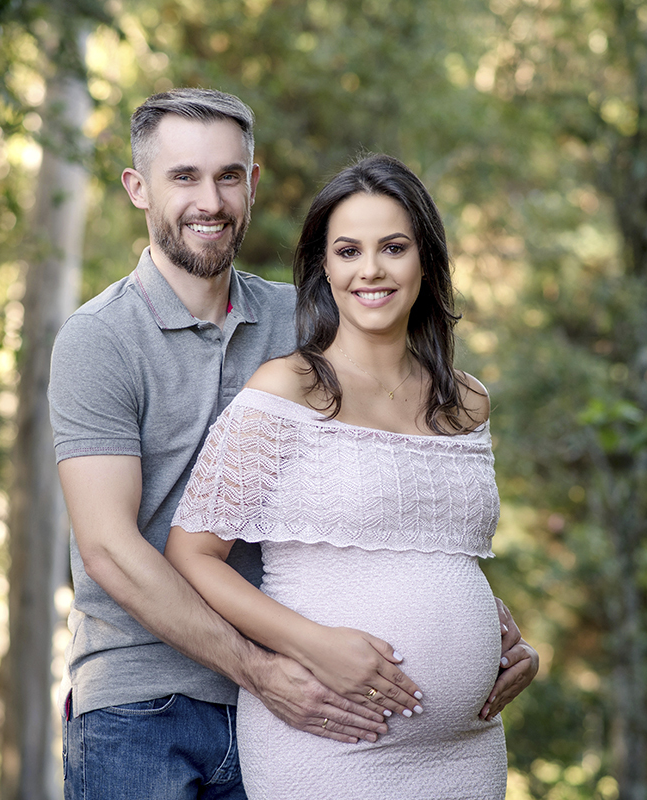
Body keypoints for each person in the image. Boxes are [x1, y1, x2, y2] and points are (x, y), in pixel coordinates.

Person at [49, 88, 537, 800]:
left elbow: (391, 487)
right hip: (147, 701)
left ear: (253, 184)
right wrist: (262, 670)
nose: (208, 200)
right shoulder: (100, 340)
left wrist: (480, 623)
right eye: (182, 176)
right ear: (137, 188)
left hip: (309, 700)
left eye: (227, 176)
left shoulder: (306, 322)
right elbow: (110, 552)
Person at [166, 153, 518, 798]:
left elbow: (437, 556)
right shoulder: (286, 389)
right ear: (324, 268)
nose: (372, 270)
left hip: (467, 750)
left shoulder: (467, 402)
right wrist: (313, 644)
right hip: (330, 738)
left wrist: (496, 632)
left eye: (393, 247)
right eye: (349, 250)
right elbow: (194, 553)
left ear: (426, 261)